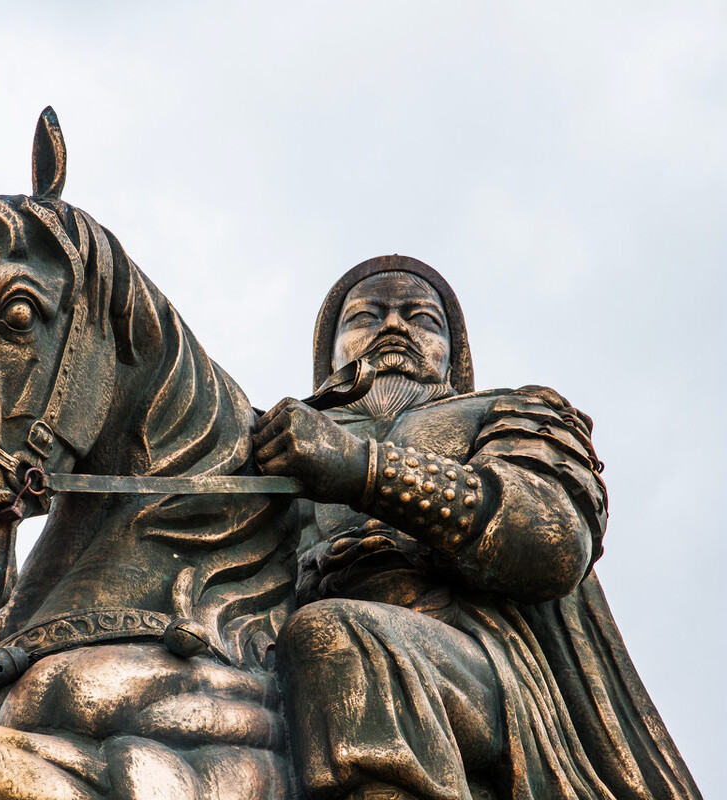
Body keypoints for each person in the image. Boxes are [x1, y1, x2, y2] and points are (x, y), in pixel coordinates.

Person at [253, 256, 700, 800]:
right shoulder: (273, 445)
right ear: (331, 353)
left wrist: (363, 469)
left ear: (454, 354)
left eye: (420, 318)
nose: (392, 327)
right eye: (365, 318)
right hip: (280, 654)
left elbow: (550, 536)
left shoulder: (507, 410)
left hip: (477, 660)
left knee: (338, 638)